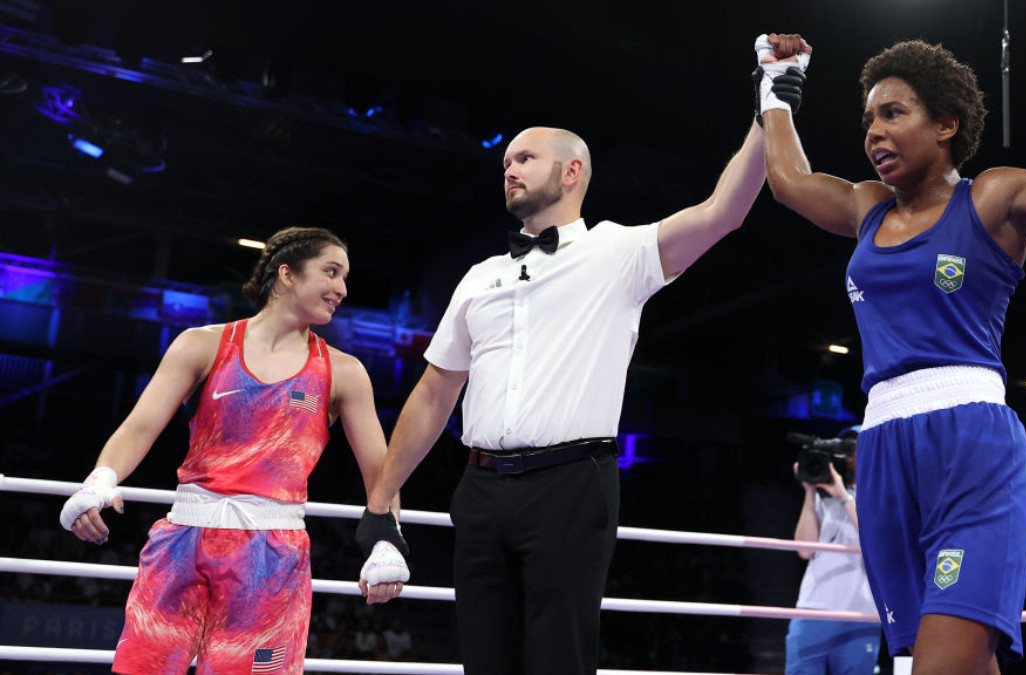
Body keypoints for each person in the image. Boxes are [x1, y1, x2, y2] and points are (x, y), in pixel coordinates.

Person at [759, 6, 1026, 674]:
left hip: (969, 446)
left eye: (893, 113)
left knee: (940, 665)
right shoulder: (865, 210)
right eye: (868, 120)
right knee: (936, 662)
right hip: (881, 450)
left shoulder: (992, 200)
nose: (874, 132)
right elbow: (788, 181)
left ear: (945, 124)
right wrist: (777, 87)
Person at [352, 73, 793, 670]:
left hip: (571, 482)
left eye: (526, 157)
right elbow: (434, 394)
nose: (509, 168)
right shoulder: (480, 275)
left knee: (559, 656)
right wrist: (381, 505)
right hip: (479, 487)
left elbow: (723, 213)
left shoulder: (618, 252)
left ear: (571, 172)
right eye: (506, 160)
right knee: (483, 658)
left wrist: (772, 104)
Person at [58, 226, 399, 674]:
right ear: (287, 275)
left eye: (345, 277)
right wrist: (101, 480)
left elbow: (382, 472)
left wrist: (387, 540)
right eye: (331, 272)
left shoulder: (344, 372)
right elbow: (141, 426)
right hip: (184, 541)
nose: (341, 289)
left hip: (271, 557)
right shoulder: (201, 344)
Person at [787, 426, 880, 675]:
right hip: (813, 609)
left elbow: (874, 541)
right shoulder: (825, 497)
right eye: (847, 449)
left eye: (856, 447)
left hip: (862, 613)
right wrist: (810, 492)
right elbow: (804, 551)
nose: (852, 455)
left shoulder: (886, 496)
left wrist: (843, 497)